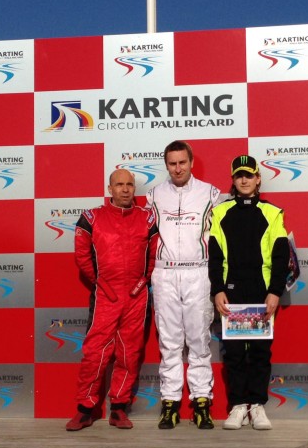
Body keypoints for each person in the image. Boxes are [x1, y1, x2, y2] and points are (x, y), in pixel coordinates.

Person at [66, 169, 159, 431]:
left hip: (137, 296)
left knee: (129, 353)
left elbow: (154, 255)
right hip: (106, 295)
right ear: (110, 189)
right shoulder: (92, 217)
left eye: (130, 184)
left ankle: (119, 408)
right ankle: (85, 409)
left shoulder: (147, 217)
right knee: (95, 352)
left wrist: (144, 281)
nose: (126, 189)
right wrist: (99, 283)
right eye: (120, 184)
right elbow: (81, 255)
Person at [209, 155, 289, 431]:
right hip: (231, 292)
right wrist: (217, 289)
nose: (244, 180)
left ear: (258, 179)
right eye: (238, 175)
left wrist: (275, 291)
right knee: (233, 353)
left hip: (260, 290)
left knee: (258, 351)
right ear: (233, 180)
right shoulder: (220, 213)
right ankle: (238, 405)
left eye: (249, 175)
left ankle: (257, 405)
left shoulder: (272, 212)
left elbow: (281, 256)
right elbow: (215, 256)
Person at [146, 140, 222, 430]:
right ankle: (170, 404)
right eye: (172, 163)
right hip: (164, 274)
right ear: (166, 165)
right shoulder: (154, 195)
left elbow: (219, 239)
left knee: (199, 342)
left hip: (198, 273)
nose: (177, 168)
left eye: (182, 162)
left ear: (191, 162)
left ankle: (202, 402)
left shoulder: (211, 193)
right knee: (169, 343)